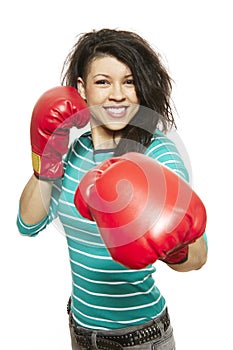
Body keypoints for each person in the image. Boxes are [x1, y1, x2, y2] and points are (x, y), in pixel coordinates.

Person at [17, 28, 208, 350]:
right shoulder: (75, 151)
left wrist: (169, 241)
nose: (117, 94)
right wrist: (44, 159)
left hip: (139, 338)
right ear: (82, 89)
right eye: (103, 82)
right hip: (79, 327)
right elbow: (28, 224)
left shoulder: (158, 155)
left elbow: (198, 257)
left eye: (129, 81)